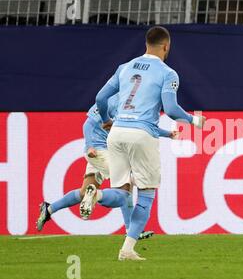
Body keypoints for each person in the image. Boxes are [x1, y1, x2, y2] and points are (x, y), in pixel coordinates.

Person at [96, 26, 205, 261]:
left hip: (116, 132)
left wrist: (106, 120)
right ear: (166, 46)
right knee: (145, 195)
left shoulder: (124, 68)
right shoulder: (168, 73)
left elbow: (100, 98)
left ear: (146, 44)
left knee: (120, 194)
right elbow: (173, 110)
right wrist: (194, 120)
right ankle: (126, 249)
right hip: (142, 134)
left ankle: (95, 196)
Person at [36, 94, 178, 240]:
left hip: (110, 150)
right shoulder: (110, 100)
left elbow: (146, 126)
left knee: (84, 192)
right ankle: (131, 230)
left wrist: (168, 134)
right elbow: (88, 124)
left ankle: (49, 209)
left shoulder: (134, 105)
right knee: (126, 182)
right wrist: (90, 146)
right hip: (99, 151)